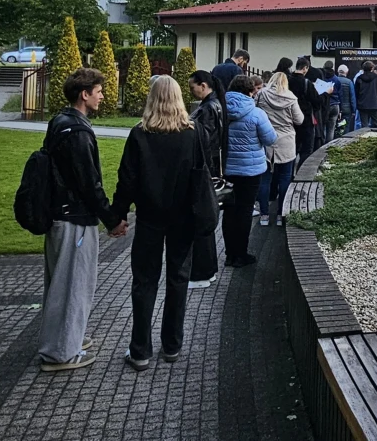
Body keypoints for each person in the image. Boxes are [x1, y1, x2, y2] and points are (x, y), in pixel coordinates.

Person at [38, 68, 128, 372]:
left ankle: (66, 339)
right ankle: (61, 353)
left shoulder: (61, 122)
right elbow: (89, 184)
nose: (102, 96)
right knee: (72, 284)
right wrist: (112, 219)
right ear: (84, 94)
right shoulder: (77, 131)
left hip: (60, 214)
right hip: (73, 217)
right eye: (98, 91)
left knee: (59, 283)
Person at [112, 76, 200, 371]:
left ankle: (140, 350)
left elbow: (127, 179)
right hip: (183, 217)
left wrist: (118, 215)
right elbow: (201, 175)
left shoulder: (140, 134)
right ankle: (172, 345)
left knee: (144, 281)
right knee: (178, 279)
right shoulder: (192, 134)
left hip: (149, 216)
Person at [222, 75, 276, 267]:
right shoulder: (256, 113)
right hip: (250, 170)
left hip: (227, 168)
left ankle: (229, 254)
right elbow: (270, 139)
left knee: (229, 211)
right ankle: (241, 254)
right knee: (244, 211)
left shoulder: (220, 110)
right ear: (251, 91)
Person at [187, 70, 226, 290]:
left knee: (201, 221)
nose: (191, 92)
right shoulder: (214, 105)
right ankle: (207, 270)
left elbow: (205, 141)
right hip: (209, 168)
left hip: (203, 169)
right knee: (205, 220)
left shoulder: (208, 108)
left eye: (192, 87)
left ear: (203, 86)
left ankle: (202, 272)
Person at [255, 72, 302, 226]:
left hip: (266, 139)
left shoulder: (261, 95)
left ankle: (264, 215)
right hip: (286, 141)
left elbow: (254, 112)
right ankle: (281, 215)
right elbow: (299, 120)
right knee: (285, 178)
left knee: (265, 179)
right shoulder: (291, 98)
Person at [287, 57, 322, 164]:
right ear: (305, 68)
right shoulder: (307, 83)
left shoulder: (287, 81)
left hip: (290, 118)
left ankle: (290, 170)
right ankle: (301, 170)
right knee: (306, 149)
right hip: (306, 119)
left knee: (293, 148)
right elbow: (317, 102)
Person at [354, 61, 377, 129]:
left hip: (362, 104)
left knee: (364, 126)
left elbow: (356, 92)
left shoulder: (359, 78)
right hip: (374, 104)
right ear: (372, 68)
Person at [332, 64, 358, 136]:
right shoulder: (349, 82)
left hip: (336, 107)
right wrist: (353, 110)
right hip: (347, 109)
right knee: (346, 127)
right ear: (346, 72)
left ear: (338, 71)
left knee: (334, 126)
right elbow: (352, 97)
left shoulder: (334, 81)